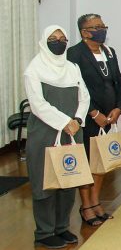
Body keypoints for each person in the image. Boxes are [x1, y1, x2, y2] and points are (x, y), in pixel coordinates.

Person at [24, 25, 90, 248]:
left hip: (72, 132)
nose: (58, 42)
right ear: (44, 41)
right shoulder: (34, 69)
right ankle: (43, 232)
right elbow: (37, 104)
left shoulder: (72, 68)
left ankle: (62, 228)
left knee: (68, 179)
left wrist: (78, 121)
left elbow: (84, 97)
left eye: (62, 38)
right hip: (45, 132)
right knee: (45, 183)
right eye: (53, 38)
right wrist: (65, 122)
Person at [67, 14, 121, 226]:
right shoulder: (74, 54)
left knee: (102, 162)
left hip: (111, 116)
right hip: (88, 117)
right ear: (84, 32)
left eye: (103, 26)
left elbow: (119, 82)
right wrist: (94, 113)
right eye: (96, 27)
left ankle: (96, 201)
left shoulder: (109, 52)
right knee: (87, 162)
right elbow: (75, 88)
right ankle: (86, 206)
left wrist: (119, 107)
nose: (102, 30)